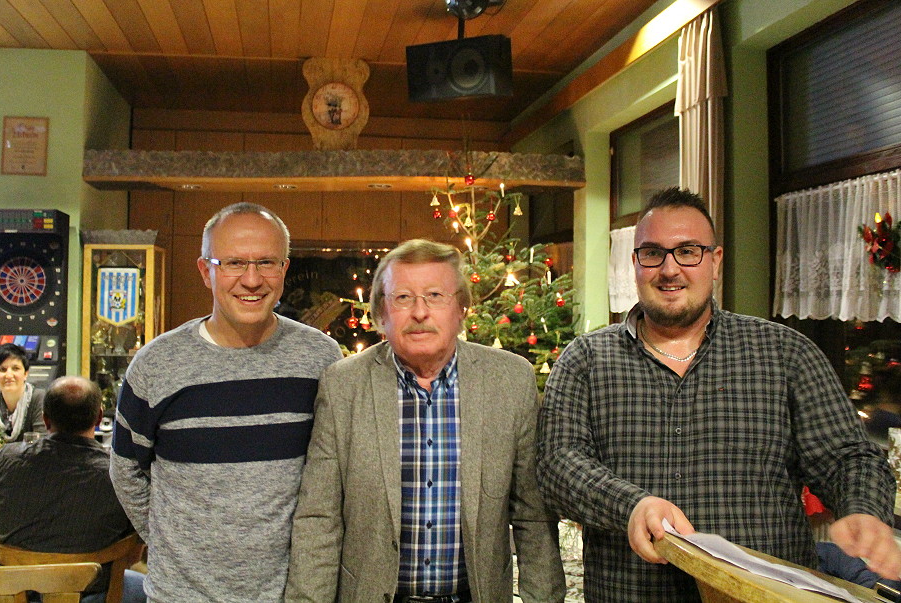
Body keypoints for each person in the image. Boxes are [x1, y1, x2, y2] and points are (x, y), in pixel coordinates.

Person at [536, 187, 901, 601]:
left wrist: (862, 509)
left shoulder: (786, 354)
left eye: (688, 251)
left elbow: (849, 457)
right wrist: (631, 506)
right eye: (652, 253)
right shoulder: (585, 360)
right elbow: (556, 465)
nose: (669, 269)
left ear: (715, 261)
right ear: (634, 263)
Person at [286, 239, 565, 603]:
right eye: (403, 298)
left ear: (461, 308)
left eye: (435, 295)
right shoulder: (343, 386)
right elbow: (319, 518)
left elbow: (534, 516)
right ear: (381, 313)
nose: (420, 312)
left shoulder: (510, 380)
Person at [110, 202, 342, 603]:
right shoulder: (157, 365)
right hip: (180, 597)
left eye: (266, 262)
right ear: (206, 271)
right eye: (234, 263)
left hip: (292, 595)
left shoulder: (320, 358)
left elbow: (333, 477)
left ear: (284, 269)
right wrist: (172, 542)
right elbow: (126, 470)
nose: (251, 280)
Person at [0, 376, 145, 603]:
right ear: (99, 417)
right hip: (93, 593)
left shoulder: (8, 459)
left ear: (45, 419)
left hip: (14, 591)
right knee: (146, 586)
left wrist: (0, 541)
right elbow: (134, 550)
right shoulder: (120, 474)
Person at [0, 343, 46, 441]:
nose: (9, 375)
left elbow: (42, 442)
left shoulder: (39, 398)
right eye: (3, 370)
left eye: (15, 368)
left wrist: (0, 449)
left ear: (25, 374)